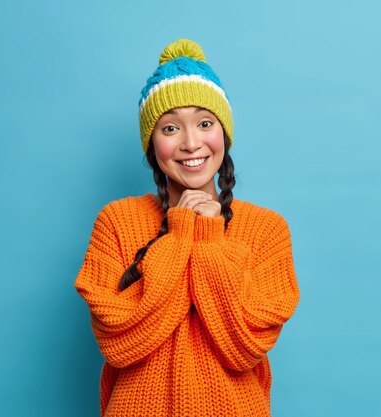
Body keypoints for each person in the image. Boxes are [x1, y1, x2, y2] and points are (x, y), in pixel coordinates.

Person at [74, 38, 300, 417]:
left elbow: (242, 346)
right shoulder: (116, 221)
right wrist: (180, 235)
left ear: (223, 134)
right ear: (152, 144)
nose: (191, 143)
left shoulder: (266, 229)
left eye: (205, 123)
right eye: (170, 128)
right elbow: (120, 341)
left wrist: (209, 240)